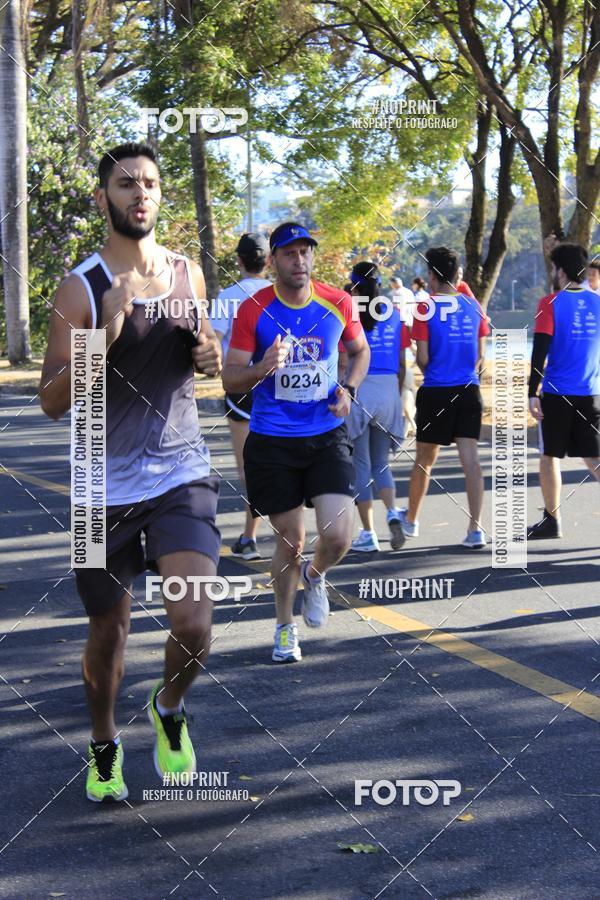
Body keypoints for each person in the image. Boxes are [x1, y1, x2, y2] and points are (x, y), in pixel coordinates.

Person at [40, 142, 222, 802]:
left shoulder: (186, 274)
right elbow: (54, 401)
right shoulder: (80, 287)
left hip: (180, 470)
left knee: (195, 622)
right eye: (124, 184)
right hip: (98, 485)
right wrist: (107, 328)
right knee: (108, 629)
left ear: (159, 195)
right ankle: (103, 740)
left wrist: (209, 353)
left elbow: (205, 355)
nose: (138, 193)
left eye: (148, 183)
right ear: (102, 199)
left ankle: (169, 709)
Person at [222, 221, 370, 662]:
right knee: (290, 539)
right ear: (273, 261)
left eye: (305, 251)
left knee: (340, 535)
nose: (299, 260)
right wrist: (262, 367)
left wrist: (349, 388)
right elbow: (229, 377)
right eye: (289, 253)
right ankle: (285, 626)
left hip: (325, 433)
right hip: (273, 440)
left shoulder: (338, 302)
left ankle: (317, 574)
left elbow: (359, 351)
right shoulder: (254, 309)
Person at [397, 246, 490, 549]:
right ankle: (475, 530)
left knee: (424, 460)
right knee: (471, 462)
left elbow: (422, 359)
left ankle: (411, 521)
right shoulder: (472, 305)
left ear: (432, 275)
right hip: (468, 390)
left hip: (437, 391)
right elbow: (481, 356)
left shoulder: (425, 308)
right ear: (456, 274)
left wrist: (435, 366)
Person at [528, 242, 600, 538]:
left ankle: (551, 520)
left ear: (559, 271)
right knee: (595, 458)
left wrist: (532, 392)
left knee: (550, 457)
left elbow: (540, 351)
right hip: (592, 393)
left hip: (558, 395)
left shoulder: (550, 303)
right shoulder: (598, 302)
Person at [210, 233, 271, 560]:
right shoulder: (282, 294)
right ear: (269, 261)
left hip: (242, 388)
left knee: (250, 466)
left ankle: (250, 537)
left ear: (239, 260)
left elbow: (212, 341)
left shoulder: (228, 297)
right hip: (279, 386)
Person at [346, 262, 411, 553]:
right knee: (380, 462)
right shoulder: (395, 314)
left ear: (355, 285)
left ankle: (369, 533)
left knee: (360, 464)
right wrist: (398, 395)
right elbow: (402, 362)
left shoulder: (348, 312)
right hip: (388, 390)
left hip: (359, 388)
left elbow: (343, 357)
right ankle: (392, 512)